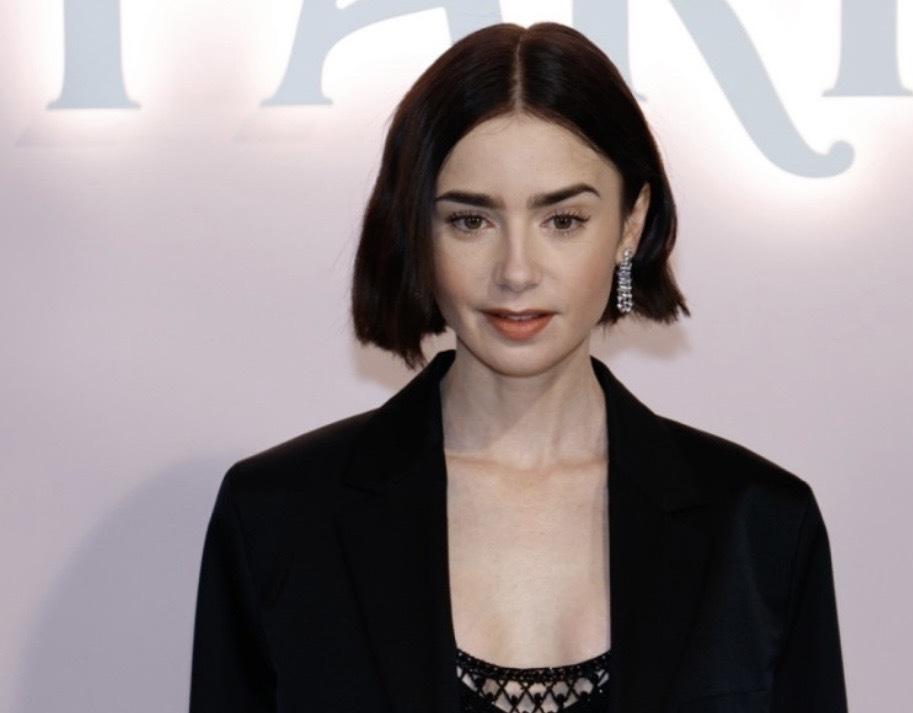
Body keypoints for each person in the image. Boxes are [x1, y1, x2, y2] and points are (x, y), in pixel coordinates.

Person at [189, 21, 848, 713]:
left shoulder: (759, 526)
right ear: (416, 229)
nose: (516, 271)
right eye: (470, 221)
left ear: (629, 225)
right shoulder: (277, 518)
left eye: (562, 220)